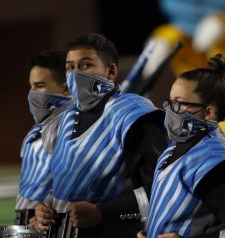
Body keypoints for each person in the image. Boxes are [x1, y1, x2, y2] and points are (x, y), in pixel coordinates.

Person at [33, 33, 168, 238]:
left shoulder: (135, 116)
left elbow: (162, 190)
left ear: (111, 71)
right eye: (70, 67)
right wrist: (45, 208)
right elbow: (65, 185)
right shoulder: (65, 118)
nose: (75, 74)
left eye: (86, 65)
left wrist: (103, 213)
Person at [138, 54, 225, 238]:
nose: (170, 110)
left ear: (209, 112)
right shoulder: (175, 148)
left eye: (179, 103)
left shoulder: (216, 161)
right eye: (170, 102)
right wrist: (148, 229)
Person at [15, 51, 72, 225]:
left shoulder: (71, 127)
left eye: (40, 86)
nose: (32, 94)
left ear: (66, 88)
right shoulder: (38, 128)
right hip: (27, 224)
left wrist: (42, 214)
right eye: (31, 86)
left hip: (50, 225)